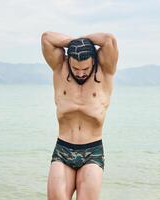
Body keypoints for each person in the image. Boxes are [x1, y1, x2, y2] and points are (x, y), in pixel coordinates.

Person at [41, 31, 118, 200]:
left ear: (94, 61)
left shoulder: (105, 70)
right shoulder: (60, 67)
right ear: (69, 60)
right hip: (63, 149)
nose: (80, 73)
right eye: (75, 68)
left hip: (92, 151)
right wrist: (74, 43)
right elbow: (46, 38)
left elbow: (108, 40)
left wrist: (85, 42)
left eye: (85, 68)